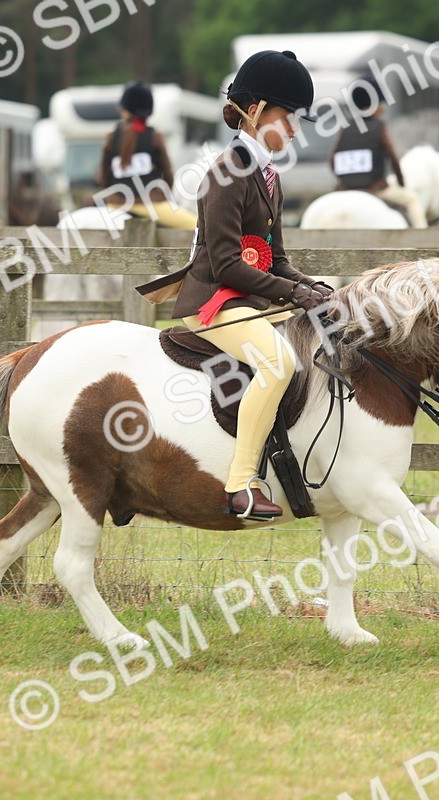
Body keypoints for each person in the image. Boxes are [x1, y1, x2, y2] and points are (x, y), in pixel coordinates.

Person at [135, 50, 333, 520]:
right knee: (279, 363)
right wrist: (294, 294)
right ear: (260, 110)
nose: (296, 130)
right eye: (290, 118)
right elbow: (225, 264)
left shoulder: (268, 175)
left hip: (248, 299)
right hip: (214, 302)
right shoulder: (226, 172)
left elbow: (276, 259)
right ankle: (241, 484)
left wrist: (313, 288)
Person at [328, 76, 427, 228]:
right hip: (374, 188)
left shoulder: (345, 127)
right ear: (374, 106)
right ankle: (424, 244)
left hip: (345, 189)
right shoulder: (379, 126)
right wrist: (401, 183)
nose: (383, 108)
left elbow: (332, 161)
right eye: (381, 104)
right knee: (412, 200)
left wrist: (345, 182)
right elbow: (393, 157)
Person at [97, 80, 197, 230]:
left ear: (125, 109)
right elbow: (168, 175)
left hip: (116, 203)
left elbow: (104, 176)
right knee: (196, 226)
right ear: (148, 110)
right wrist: (164, 196)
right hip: (152, 204)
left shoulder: (112, 136)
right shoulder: (154, 136)